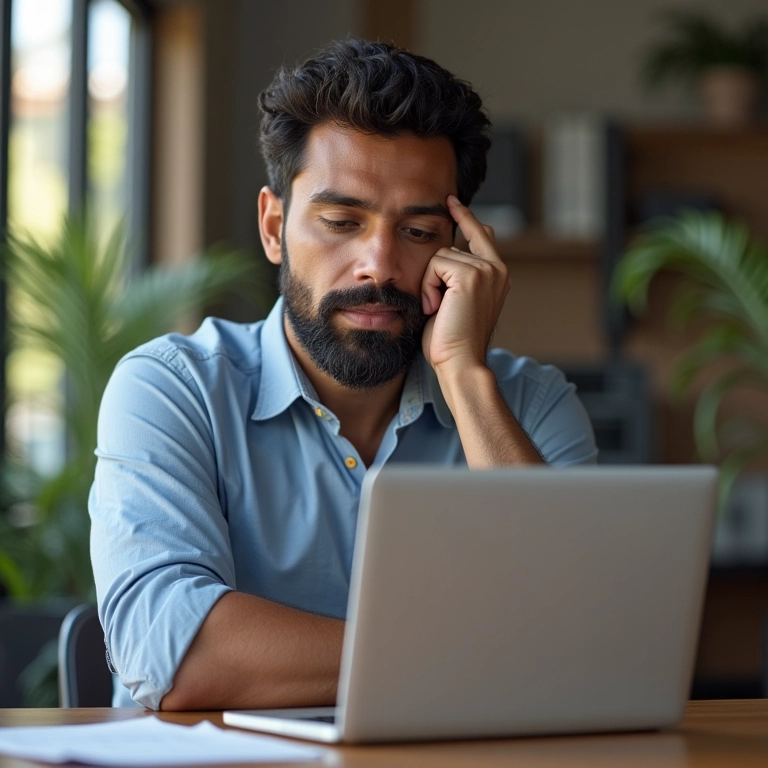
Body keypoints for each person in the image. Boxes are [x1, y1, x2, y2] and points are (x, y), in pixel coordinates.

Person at [90, 39, 597, 711]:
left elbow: (582, 645)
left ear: (461, 251)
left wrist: (465, 377)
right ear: (274, 227)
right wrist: (478, 653)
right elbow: (177, 655)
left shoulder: (529, 406)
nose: (378, 266)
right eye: (340, 222)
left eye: (418, 232)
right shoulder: (172, 391)